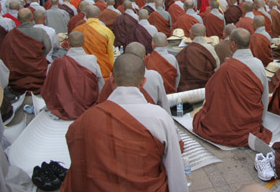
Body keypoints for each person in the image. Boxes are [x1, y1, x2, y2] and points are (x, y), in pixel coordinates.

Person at [63, 54, 187, 191]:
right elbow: (174, 167)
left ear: (111, 79)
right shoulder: (160, 117)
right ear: (143, 82)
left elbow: (79, 162)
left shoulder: (86, 119)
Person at [193, 28, 271, 147]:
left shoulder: (227, 67)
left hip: (228, 124)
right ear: (249, 44)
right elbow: (264, 97)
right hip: (250, 124)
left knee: (200, 117)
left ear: (233, 44)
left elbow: (211, 92)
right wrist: (260, 121)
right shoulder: (259, 64)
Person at [0, 8, 50, 94]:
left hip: (18, 74)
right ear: (32, 18)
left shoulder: (10, 35)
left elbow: (5, 54)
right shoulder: (40, 32)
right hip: (37, 70)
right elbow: (48, 47)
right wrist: (38, 57)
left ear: (18, 19)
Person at [125, 42, 170, 114]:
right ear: (145, 57)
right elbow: (164, 104)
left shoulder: (116, 79)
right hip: (151, 118)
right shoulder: (154, 76)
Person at [73, 6, 114, 80]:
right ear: (99, 15)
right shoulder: (106, 31)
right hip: (102, 68)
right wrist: (111, 68)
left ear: (86, 15)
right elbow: (110, 53)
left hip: (81, 68)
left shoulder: (78, 30)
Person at [176, 24, 219, 91]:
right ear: (205, 34)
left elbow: (178, 70)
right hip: (207, 87)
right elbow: (217, 67)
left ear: (191, 34)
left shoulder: (186, 51)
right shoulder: (210, 48)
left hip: (188, 89)